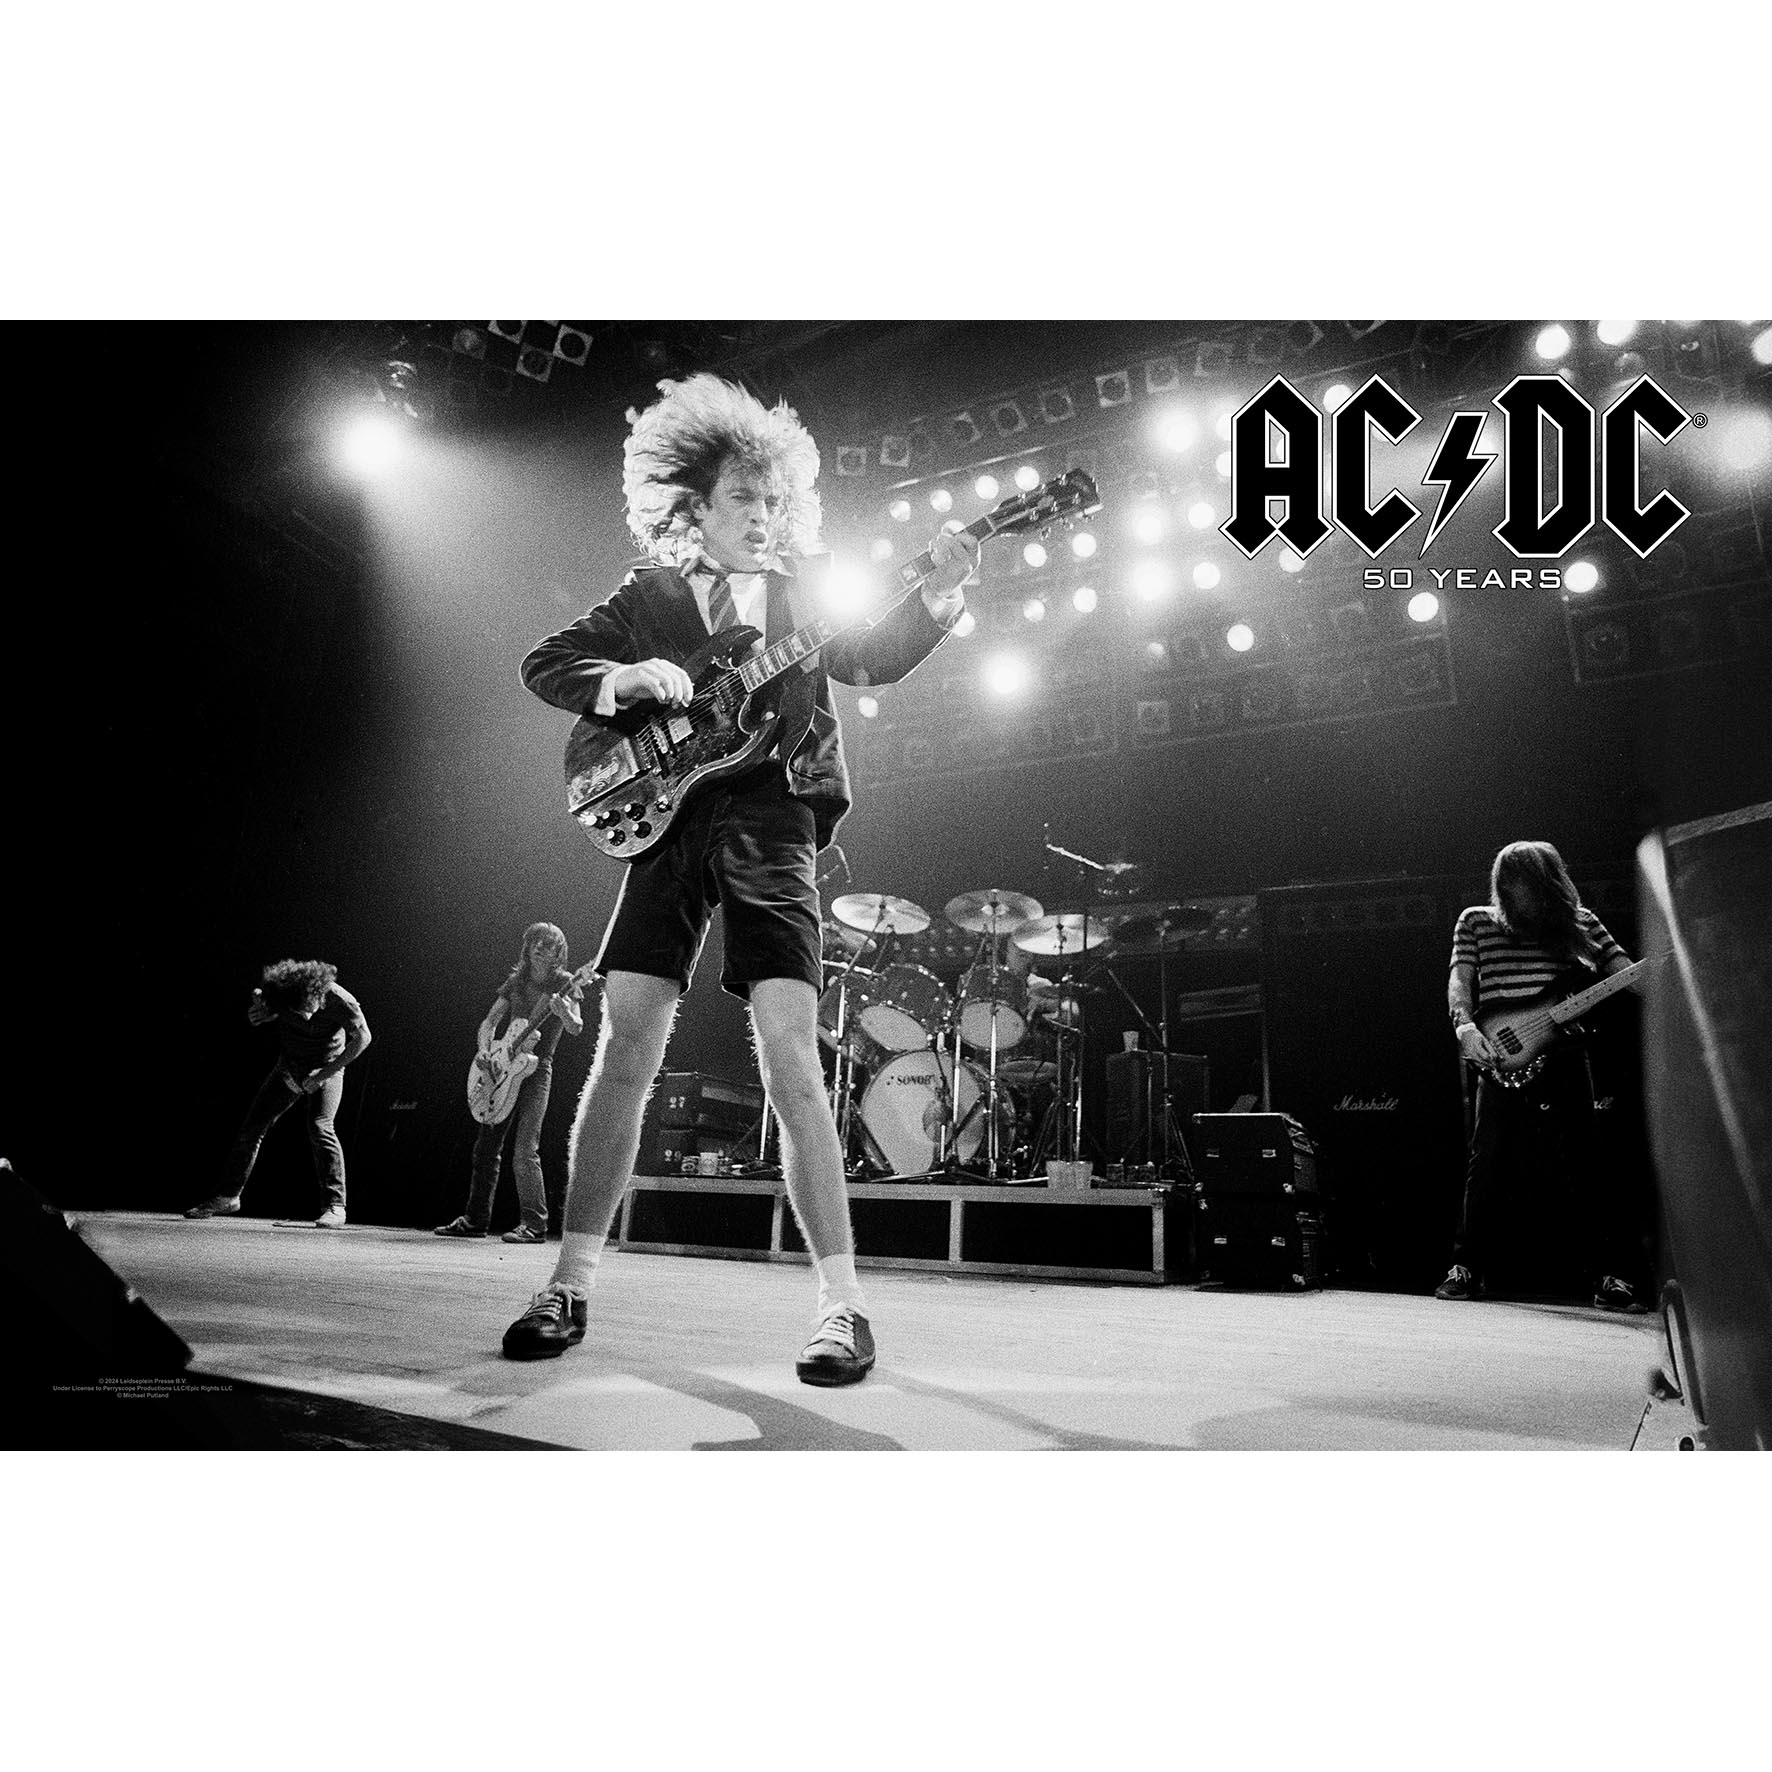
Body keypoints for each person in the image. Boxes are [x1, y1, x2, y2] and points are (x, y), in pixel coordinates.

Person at [499, 372, 977, 1382]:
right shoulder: (648, 596)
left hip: (772, 814)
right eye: (742, 500)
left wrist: (938, 594)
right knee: (625, 1042)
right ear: (696, 507)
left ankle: (842, 1307)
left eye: (773, 499)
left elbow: (871, 658)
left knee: (790, 1051)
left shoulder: (808, 590)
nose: (763, 516)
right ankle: (568, 1283)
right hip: (670, 820)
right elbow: (547, 661)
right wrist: (620, 678)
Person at [1436, 841, 1647, 1311]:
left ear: (1548, 884)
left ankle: (1608, 1276)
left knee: (1586, 1159)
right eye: (1508, 883)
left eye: (1525, 883)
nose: (1516, 894)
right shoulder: (1476, 921)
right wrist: (1464, 1026)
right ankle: (1464, 1266)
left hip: (1564, 1051)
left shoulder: (1580, 923)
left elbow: (1626, 974)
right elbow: (1459, 980)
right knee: (1486, 1160)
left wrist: (1673, 967)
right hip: (1500, 1049)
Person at [186, 959, 371, 1228]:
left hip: (327, 1065)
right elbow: (261, 999)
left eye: (310, 1008)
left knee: (320, 1127)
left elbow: (363, 1038)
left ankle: (335, 1205)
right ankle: (228, 1196)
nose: (306, 1017)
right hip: (290, 1066)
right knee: (253, 1128)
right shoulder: (281, 994)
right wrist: (260, 1012)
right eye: (298, 1011)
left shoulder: (341, 999)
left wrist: (321, 1076)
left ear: (317, 993)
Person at [436, 922, 585, 1243]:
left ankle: (535, 1224)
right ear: (527, 947)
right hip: (503, 1064)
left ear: (559, 953)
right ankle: (475, 1220)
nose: (541, 948)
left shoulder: (565, 983)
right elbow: (490, 1021)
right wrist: (485, 1050)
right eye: (536, 942)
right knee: (485, 1148)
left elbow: (576, 1026)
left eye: (549, 944)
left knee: (525, 1150)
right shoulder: (516, 981)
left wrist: (564, 1013)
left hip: (537, 1070)